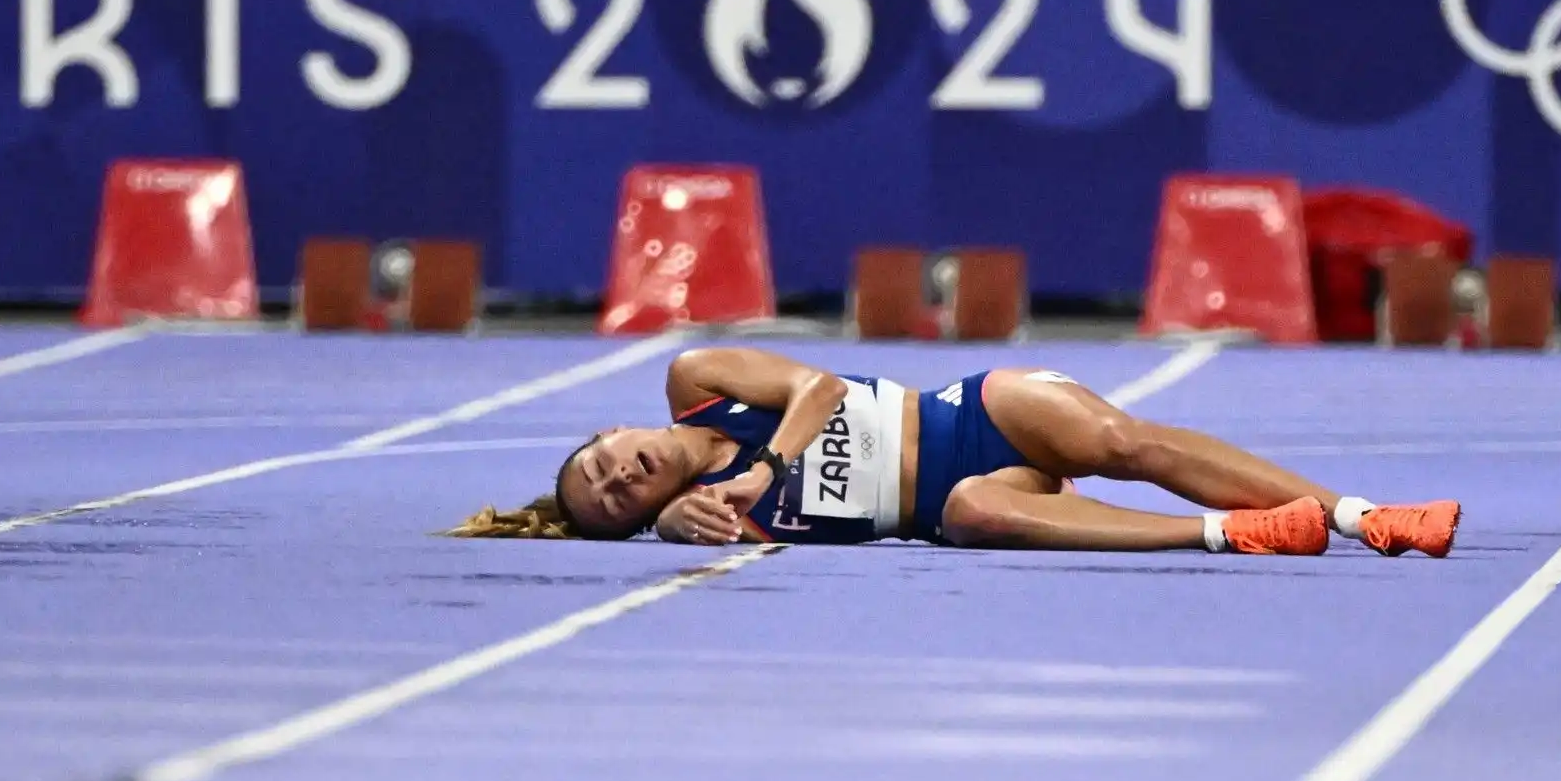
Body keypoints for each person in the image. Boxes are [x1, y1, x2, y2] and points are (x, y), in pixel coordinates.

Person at [446, 346, 1460, 556]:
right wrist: (676, 521)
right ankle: (1233, 531)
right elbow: (724, 541)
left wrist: (761, 465)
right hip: (960, 493)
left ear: (611, 430)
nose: (619, 480)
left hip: (972, 413)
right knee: (976, 516)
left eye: (602, 464)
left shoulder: (696, 378)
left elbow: (821, 386)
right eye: (613, 502)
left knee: (1118, 438)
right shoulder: (687, 518)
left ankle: (1358, 514)